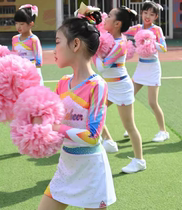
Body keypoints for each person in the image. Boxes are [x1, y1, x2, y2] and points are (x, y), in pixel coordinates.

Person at [33, 13, 116, 210]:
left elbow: (93, 136)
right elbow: (47, 115)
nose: (54, 50)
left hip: (91, 169)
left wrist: (56, 127)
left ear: (75, 44)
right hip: (66, 165)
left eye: (57, 42)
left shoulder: (98, 85)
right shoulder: (62, 83)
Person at [93, 6, 146, 173]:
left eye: (108, 16)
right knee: (94, 112)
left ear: (117, 23)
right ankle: (108, 142)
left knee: (129, 126)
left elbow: (102, 67)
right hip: (110, 86)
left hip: (121, 88)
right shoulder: (108, 37)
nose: (105, 19)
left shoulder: (120, 43)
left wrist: (91, 51)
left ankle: (139, 161)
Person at [123, 1, 169, 142]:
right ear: (141, 13)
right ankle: (129, 127)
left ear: (156, 16)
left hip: (153, 68)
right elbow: (122, 30)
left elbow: (164, 48)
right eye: (145, 13)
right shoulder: (137, 28)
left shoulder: (157, 30)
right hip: (141, 67)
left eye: (152, 14)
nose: (148, 16)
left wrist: (151, 41)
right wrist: (126, 16)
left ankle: (163, 131)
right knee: (129, 96)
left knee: (152, 102)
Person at [12, 4, 44, 86]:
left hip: (31, 71)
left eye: (22, 24)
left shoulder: (33, 39)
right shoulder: (14, 39)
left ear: (31, 24)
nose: (18, 26)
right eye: (16, 23)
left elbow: (38, 57)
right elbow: (13, 55)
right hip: (18, 71)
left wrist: (35, 68)